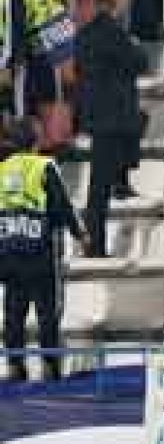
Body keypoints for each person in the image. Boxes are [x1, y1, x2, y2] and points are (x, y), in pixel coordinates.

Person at [0, 115, 84, 381]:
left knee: (13, 312)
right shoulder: (45, 166)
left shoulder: (2, 169)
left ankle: (15, 365)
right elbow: (62, 205)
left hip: (9, 251)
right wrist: (79, 233)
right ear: (36, 140)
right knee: (47, 311)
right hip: (41, 253)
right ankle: (50, 364)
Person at [76, 0, 146, 259]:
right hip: (115, 117)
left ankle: (121, 179)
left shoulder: (84, 34)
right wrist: (135, 46)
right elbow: (138, 63)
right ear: (115, 4)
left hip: (97, 115)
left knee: (98, 186)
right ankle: (94, 246)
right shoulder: (114, 33)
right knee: (99, 189)